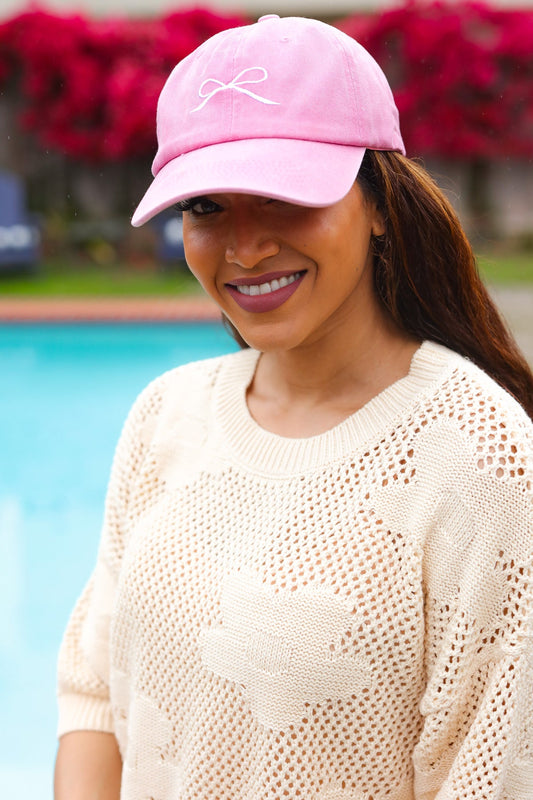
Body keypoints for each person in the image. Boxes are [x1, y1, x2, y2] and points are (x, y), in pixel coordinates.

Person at [54, 15, 533, 800]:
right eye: (206, 207)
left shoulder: (475, 448)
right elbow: (95, 689)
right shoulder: (166, 415)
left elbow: (487, 770)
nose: (243, 247)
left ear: (381, 202)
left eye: (282, 197)